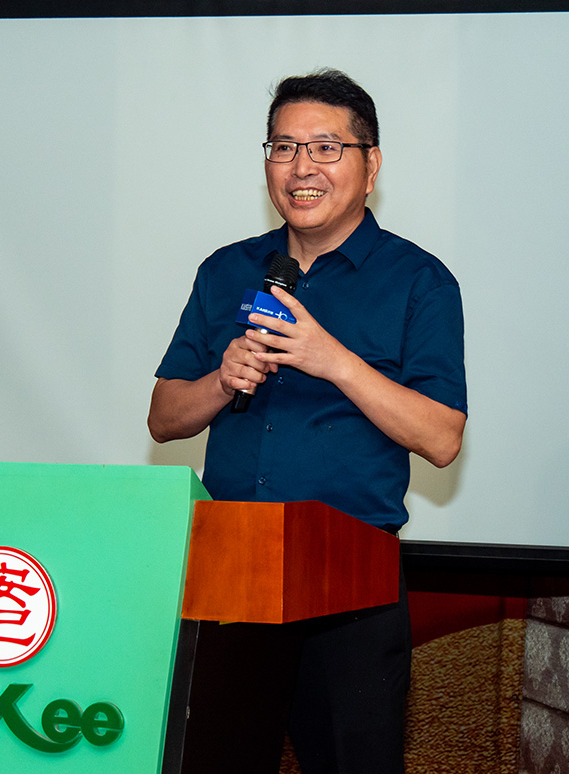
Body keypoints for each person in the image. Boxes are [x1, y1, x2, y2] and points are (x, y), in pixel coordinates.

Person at [148, 69, 467, 773]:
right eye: (284, 147)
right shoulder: (227, 271)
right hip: (232, 568)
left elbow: (442, 438)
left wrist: (334, 361)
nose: (301, 168)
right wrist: (220, 380)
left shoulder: (419, 281)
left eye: (326, 148)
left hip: (350, 574)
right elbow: (164, 418)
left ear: (370, 164)